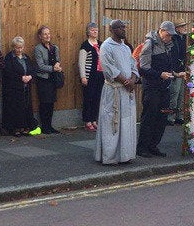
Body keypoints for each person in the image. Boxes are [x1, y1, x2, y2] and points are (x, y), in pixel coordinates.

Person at [136, 21, 186, 158]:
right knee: (149, 117)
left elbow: (167, 68)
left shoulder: (168, 45)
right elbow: (144, 68)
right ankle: (142, 148)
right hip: (151, 88)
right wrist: (160, 75)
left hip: (164, 87)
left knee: (162, 117)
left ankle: (153, 146)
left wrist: (175, 74)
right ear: (161, 31)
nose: (170, 38)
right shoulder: (149, 44)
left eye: (171, 36)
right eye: (168, 35)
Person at [94, 19, 139, 165]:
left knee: (126, 123)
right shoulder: (106, 47)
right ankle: (110, 156)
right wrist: (125, 81)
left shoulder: (126, 48)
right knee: (111, 124)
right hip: (113, 90)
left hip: (126, 91)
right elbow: (108, 68)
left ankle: (124, 155)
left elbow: (134, 66)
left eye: (124, 27)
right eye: (120, 28)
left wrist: (132, 79)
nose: (124, 30)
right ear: (112, 30)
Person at [2, 36, 40, 136]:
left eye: (21, 47)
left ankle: (24, 127)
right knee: (15, 108)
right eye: (17, 47)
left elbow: (33, 69)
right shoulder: (9, 57)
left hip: (26, 87)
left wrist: (30, 76)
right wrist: (20, 78)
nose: (19, 50)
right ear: (13, 47)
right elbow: (8, 72)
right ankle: (15, 128)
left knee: (25, 107)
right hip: (13, 88)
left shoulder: (26, 57)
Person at [34, 25, 62, 134]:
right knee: (44, 103)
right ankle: (44, 126)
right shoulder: (38, 49)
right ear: (40, 36)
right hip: (43, 79)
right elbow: (40, 66)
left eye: (49, 33)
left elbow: (58, 60)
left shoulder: (55, 47)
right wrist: (53, 68)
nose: (47, 36)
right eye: (45, 34)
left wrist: (58, 66)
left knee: (51, 103)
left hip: (53, 79)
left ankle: (50, 126)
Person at [78, 22, 104, 132]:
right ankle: (87, 121)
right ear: (88, 32)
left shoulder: (101, 44)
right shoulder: (85, 45)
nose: (95, 32)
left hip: (100, 75)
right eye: (93, 30)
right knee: (88, 98)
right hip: (89, 76)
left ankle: (94, 120)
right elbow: (81, 62)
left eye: (96, 30)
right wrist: (83, 76)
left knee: (97, 98)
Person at [169, 18, 187, 125]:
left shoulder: (186, 38)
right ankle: (170, 117)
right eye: (182, 26)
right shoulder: (173, 39)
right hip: (175, 70)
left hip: (183, 70)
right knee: (174, 94)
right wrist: (174, 71)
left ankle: (179, 116)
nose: (185, 28)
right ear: (177, 29)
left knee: (182, 95)